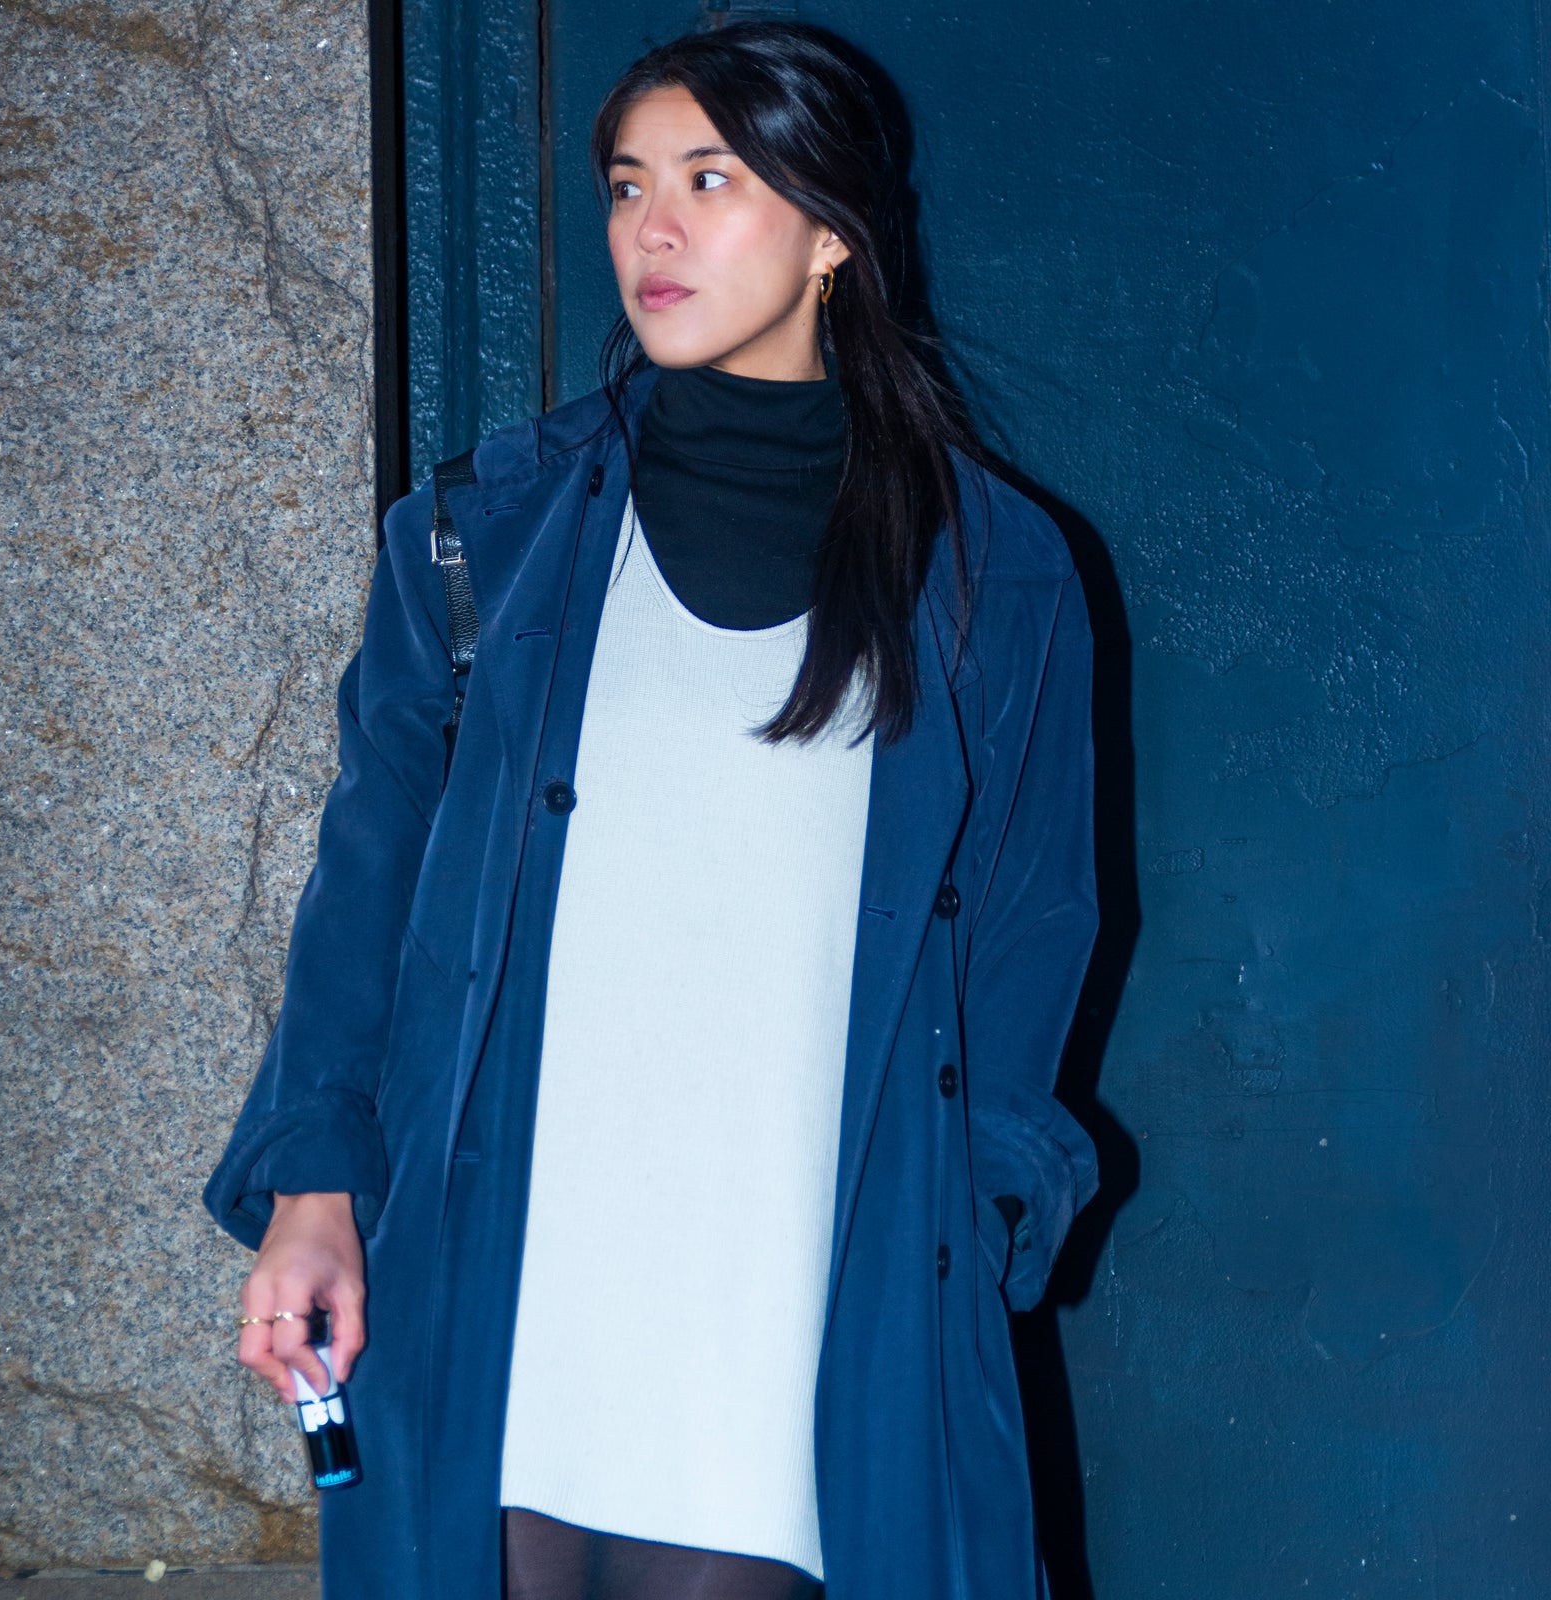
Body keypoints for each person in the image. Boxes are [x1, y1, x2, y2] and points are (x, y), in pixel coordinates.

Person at [204, 18, 1101, 1600]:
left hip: (798, 1272)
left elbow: (1036, 919)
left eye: (712, 178)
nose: (654, 229)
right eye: (627, 185)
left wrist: (977, 1204)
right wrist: (315, 1188)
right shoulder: (479, 536)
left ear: (835, 234)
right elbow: (368, 888)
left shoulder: (991, 572)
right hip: (514, 1253)